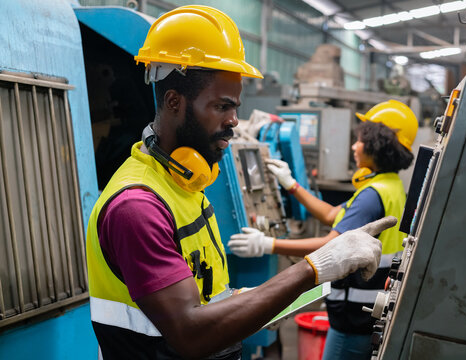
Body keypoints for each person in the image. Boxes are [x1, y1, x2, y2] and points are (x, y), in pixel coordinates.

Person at [85, 5, 397, 360]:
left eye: (236, 107)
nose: (235, 120)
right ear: (174, 101)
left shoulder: (186, 186)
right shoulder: (137, 207)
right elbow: (189, 333)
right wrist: (314, 268)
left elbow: (206, 297)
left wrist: (252, 302)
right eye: (222, 106)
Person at [228, 99, 417, 360]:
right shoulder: (389, 186)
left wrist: (267, 244)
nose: (354, 146)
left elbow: (332, 244)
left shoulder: (371, 196)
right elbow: (332, 215)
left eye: (359, 140)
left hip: (352, 320)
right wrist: (291, 184)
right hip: (369, 311)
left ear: (375, 145)